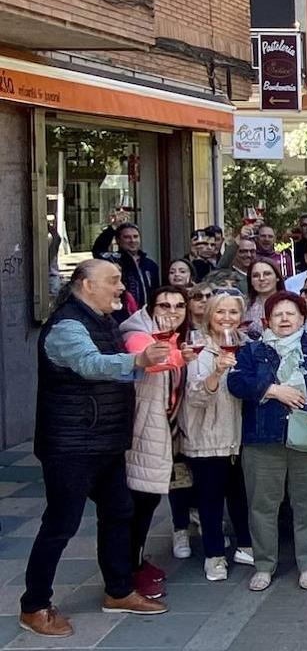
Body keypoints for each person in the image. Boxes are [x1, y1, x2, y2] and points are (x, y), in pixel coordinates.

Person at [20, 260, 169, 637]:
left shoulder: (101, 319)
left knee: (119, 512)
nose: (121, 287)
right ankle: (34, 606)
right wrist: (138, 360)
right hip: (71, 446)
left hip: (104, 440)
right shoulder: (69, 325)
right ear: (86, 285)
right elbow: (90, 365)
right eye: (113, 281)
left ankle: (119, 591)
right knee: (61, 524)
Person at [227, 290, 307, 592]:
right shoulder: (252, 351)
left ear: (303, 318)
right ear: (267, 320)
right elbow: (236, 382)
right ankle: (263, 565)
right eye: (278, 314)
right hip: (263, 438)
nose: (285, 318)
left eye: (291, 313)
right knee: (262, 505)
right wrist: (273, 390)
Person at [119, 286, 191, 599]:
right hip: (142, 432)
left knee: (146, 503)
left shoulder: (177, 335)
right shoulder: (138, 331)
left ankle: (134, 561)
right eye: (164, 304)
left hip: (166, 431)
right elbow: (150, 361)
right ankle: (128, 572)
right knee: (136, 504)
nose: (172, 311)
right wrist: (181, 356)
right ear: (151, 307)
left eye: (179, 305)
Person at [179, 290, 253, 582]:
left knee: (239, 496)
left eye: (233, 312)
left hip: (238, 437)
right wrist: (217, 373)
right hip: (207, 437)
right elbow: (195, 397)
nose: (226, 318)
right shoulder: (199, 348)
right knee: (210, 501)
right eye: (220, 312)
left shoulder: (246, 345)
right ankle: (214, 557)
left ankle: (245, 546)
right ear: (209, 316)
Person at [92, 221, 160, 317]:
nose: (132, 240)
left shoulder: (150, 265)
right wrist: (112, 228)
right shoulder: (113, 260)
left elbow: (155, 292)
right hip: (120, 316)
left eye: (135, 236)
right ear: (118, 240)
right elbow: (98, 249)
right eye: (127, 237)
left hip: (145, 316)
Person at [243, 259, 284, 339]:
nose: (261, 278)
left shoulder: (291, 303)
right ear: (250, 281)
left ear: (277, 278)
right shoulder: (243, 306)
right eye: (256, 275)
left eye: (267, 274)